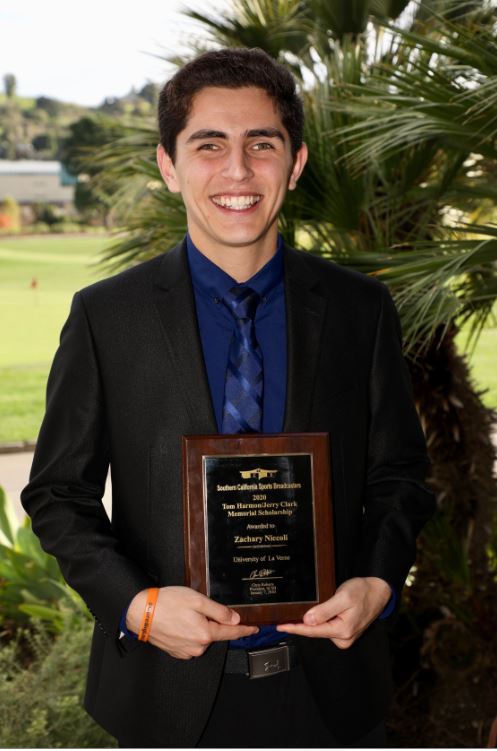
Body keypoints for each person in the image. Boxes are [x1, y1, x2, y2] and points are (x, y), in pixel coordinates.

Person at [22, 47, 435, 748]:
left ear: (295, 162)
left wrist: (376, 581)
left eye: (260, 145)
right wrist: (138, 606)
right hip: (167, 698)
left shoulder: (358, 309)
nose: (237, 171)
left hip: (329, 695)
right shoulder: (107, 316)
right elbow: (59, 493)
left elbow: (399, 476)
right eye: (208, 145)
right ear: (168, 164)